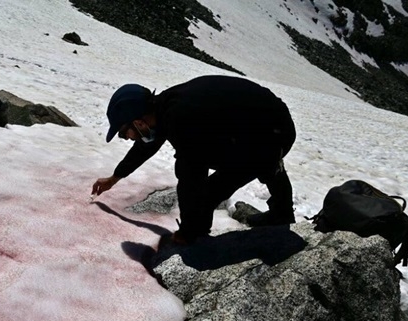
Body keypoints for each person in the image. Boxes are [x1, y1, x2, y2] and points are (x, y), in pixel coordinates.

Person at [92, 75, 297, 244]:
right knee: (230, 158)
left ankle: (278, 209)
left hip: (273, 131)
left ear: (138, 123)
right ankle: (280, 202)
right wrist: (114, 178)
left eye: (123, 132)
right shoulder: (164, 107)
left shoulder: (181, 120)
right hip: (268, 122)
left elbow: (191, 176)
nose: (126, 138)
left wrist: (188, 232)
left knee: (208, 190)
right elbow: (145, 147)